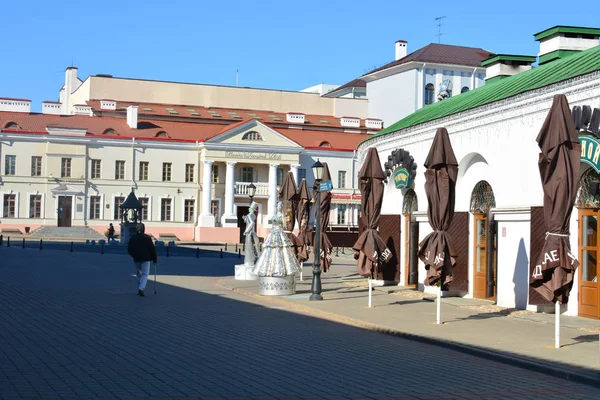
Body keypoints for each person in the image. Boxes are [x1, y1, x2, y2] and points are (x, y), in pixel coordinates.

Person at [127, 223, 157, 297]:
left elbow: (129, 249)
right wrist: (154, 258)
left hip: (136, 259)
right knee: (145, 274)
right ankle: (141, 288)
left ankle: (139, 289)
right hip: (146, 258)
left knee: (138, 274)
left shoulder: (133, 238)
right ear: (144, 229)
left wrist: (134, 255)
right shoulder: (147, 238)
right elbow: (152, 249)